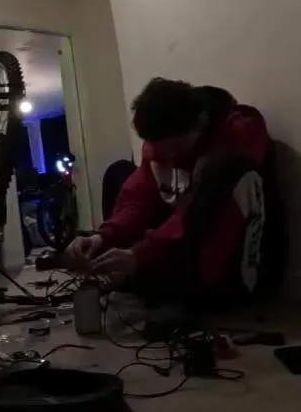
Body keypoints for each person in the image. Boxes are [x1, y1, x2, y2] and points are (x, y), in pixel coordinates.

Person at [66, 78, 285, 308]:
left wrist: (141, 255)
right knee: (120, 172)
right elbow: (137, 201)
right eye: (161, 149)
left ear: (201, 122)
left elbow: (197, 211)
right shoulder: (159, 147)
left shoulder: (237, 138)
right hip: (181, 236)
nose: (170, 156)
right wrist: (103, 237)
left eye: (176, 147)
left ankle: (199, 289)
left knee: (223, 175)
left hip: (233, 256)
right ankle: (133, 273)